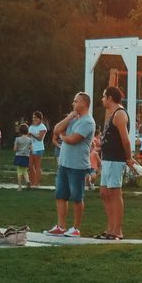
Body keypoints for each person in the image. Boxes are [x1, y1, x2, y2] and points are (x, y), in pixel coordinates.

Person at [48, 92, 97, 237]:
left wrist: (63, 137)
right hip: (64, 163)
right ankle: (61, 226)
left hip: (77, 165)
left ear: (84, 103)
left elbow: (74, 139)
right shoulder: (74, 119)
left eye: (76, 101)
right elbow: (56, 130)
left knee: (76, 196)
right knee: (60, 195)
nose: (73, 104)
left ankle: (76, 228)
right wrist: (69, 117)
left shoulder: (88, 121)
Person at [96, 86, 132, 240]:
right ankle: (110, 228)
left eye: (104, 96)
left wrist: (129, 158)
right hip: (107, 159)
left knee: (115, 194)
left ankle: (117, 231)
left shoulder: (120, 114)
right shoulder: (112, 114)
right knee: (104, 193)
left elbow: (125, 140)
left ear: (110, 98)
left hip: (116, 160)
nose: (102, 99)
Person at [27, 111, 47, 188]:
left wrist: (32, 135)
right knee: (30, 165)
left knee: (37, 166)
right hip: (31, 148)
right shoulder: (31, 127)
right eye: (33, 117)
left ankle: (36, 183)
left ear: (40, 118)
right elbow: (28, 137)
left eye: (36, 117)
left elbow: (40, 138)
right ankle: (32, 182)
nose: (34, 119)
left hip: (38, 148)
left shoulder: (42, 127)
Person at [12, 123, 32, 189]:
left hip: (19, 156)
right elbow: (31, 149)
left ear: (20, 131)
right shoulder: (30, 139)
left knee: (19, 171)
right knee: (25, 171)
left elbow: (15, 149)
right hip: (26, 156)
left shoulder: (17, 139)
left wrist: (18, 148)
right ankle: (28, 181)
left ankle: (20, 186)